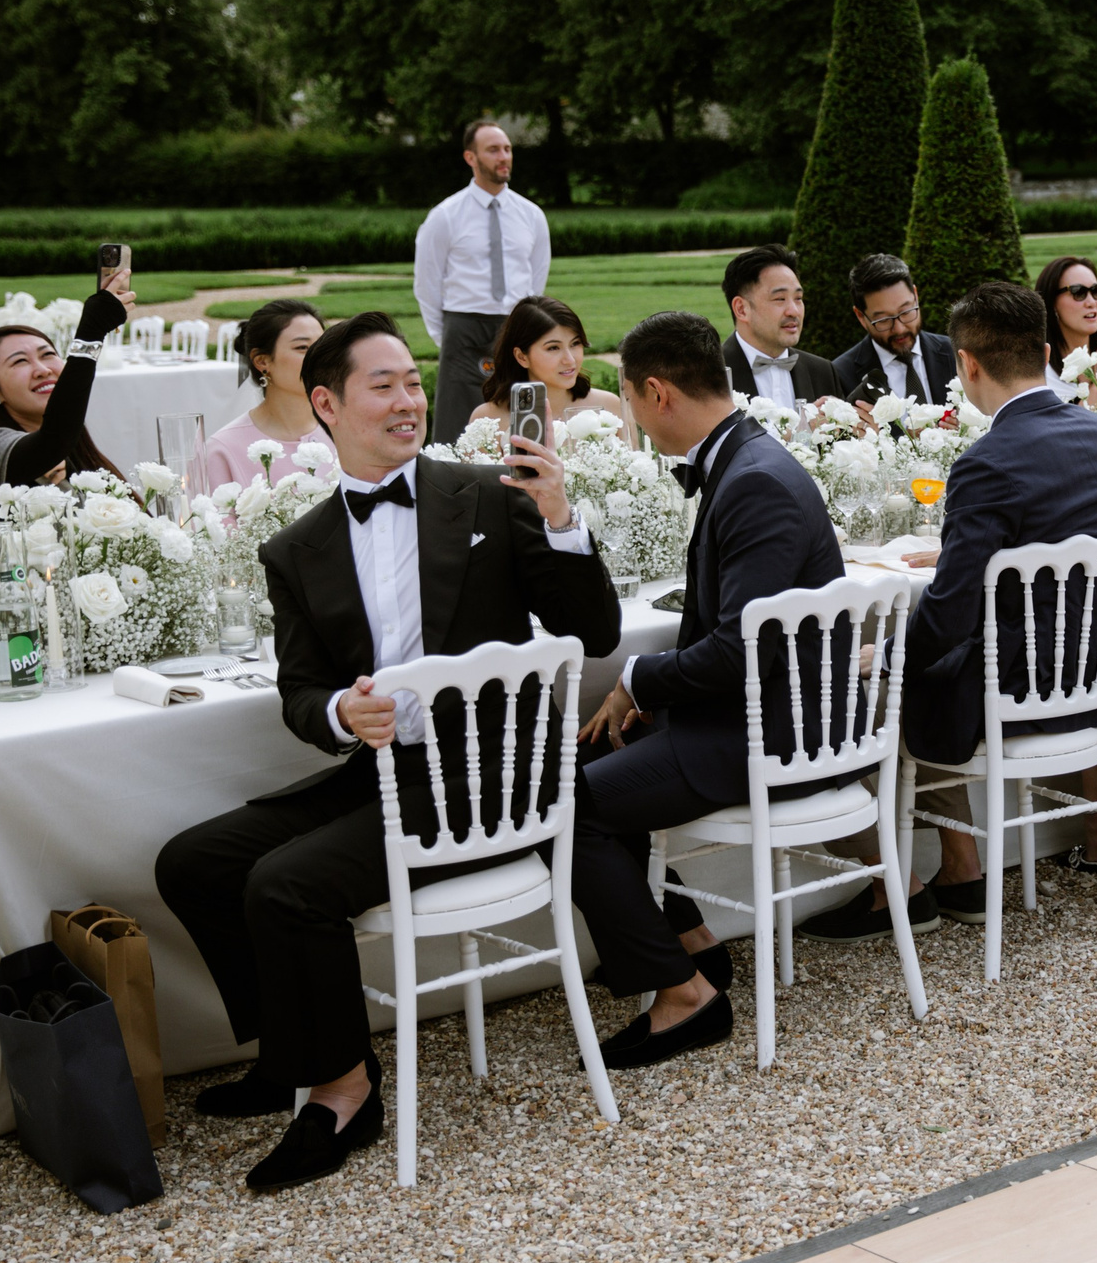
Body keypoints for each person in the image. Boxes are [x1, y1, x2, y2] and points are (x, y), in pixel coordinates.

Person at [153, 312, 616, 1193]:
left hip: (484, 777)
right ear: (325, 403)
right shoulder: (297, 547)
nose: (410, 400)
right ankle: (289, 1052)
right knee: (195, 862)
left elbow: (591, 631)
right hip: (384, 769)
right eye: (385, 385)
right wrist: (339, 709)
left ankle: (344, 1089)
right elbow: (298, 691)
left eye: (414, 381)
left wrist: (559, 514)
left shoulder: (488, 494)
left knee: (286, 886)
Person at [563, 311, 913, 1065]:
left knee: (570, 808)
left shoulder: (753, 481)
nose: (632, 416)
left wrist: (636, 676)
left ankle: (684, 996)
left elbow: (733, 654)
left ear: (657, 392)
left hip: (778, 733)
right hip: (774, 711)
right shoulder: (749, 456)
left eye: (628, 398)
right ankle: (688, 943)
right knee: (584, 754)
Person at [900, 281, 1097, 888]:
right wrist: (964, 551)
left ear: (967, 364)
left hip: (1023, 682)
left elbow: (950, 615)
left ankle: (950, 875)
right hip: (1096, 668)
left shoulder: (986, 460)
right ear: (1043, 351)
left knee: (894, 676)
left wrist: (892, 656)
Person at [414, 120, 551, 442]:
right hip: (462, 328)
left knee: (521, 420)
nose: (503, 157)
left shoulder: (531, 215)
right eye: (493, 150)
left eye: (507, 149)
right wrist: (446, 336)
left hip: (515, 326)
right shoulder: (445, 216)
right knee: (456, 430)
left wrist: (524, 323)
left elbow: (537, 276)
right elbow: (427, 283)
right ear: (470, 158)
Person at [0, 276, 133, 503]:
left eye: (48, 355)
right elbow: (52, 442)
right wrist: (91, 335)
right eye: (20, 361)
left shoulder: (81, 455)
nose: (42, 370)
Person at [200, 300, 332, 489]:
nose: (320, 358)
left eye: (323, 346)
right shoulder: (222, 451)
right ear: (262, 361)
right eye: (302, 348)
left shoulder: (346, 433)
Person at [466, 297, 629, 433]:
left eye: (575, 343)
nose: (570, 360)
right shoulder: (488, 420)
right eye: (553, 348)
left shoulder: (608, 406)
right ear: (522, 357)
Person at [831, 253, 957, 407]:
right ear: (860, 316)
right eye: (883, 320)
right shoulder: (841, 374)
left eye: (905, 312)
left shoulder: (955, 352)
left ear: (915, 296)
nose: (899, 329)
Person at [721, 244, 840, 407]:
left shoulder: (822, 372)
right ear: (741, 309)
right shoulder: (710, 375)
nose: (794, 311)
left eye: (798, 298)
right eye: (780, 299)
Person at [1037, 255, 1097, 398]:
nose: (1091, 302)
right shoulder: (1041, 374)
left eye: (1096, 290)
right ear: (1052, 302)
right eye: (1078, 292)